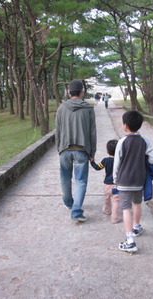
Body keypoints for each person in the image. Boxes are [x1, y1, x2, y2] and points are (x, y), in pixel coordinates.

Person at [113, 110, 153, 252]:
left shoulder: (122, 142)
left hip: (124, 180)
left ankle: (130, 240)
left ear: (125, 125)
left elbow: (117, 162)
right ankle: (137, 227)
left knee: (126, 208)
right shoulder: (145, 141)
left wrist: (115, 179)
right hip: (139, 180)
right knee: (137, 203)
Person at [55, 79, 97, 222]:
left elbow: (58, 130)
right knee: (81, 181)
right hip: (82, 149)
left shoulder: (61, 108)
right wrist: (92, 153)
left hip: (64, 149)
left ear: (68, 92)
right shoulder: (88, 109)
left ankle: (68, 202)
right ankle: (76, 211)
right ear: (82, 91)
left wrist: (59, 148)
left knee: (65, 177)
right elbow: (92, 132)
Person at [90, 139, 120, 224]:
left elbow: (97, 167)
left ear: (107, 151)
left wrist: (92, 162)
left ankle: (107, 210)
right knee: (116, 201)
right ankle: (114, 218)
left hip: (107, 184)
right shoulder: (121, 160)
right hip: (117, 185)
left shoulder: (105, 160)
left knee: (107, 198)